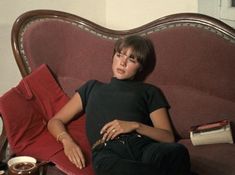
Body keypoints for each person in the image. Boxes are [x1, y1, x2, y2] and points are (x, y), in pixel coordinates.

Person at [47, 35, 191, 175]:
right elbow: (55, 121)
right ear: (113, 57)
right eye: (119, 55)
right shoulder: (92, 88)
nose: (123, 62)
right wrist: (67, 142)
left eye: (132, 59)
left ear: (140, 67)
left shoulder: (149, 91)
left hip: (144, 147)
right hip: (107, 153)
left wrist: (135, 125)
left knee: (177, 152)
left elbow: (168, 137)